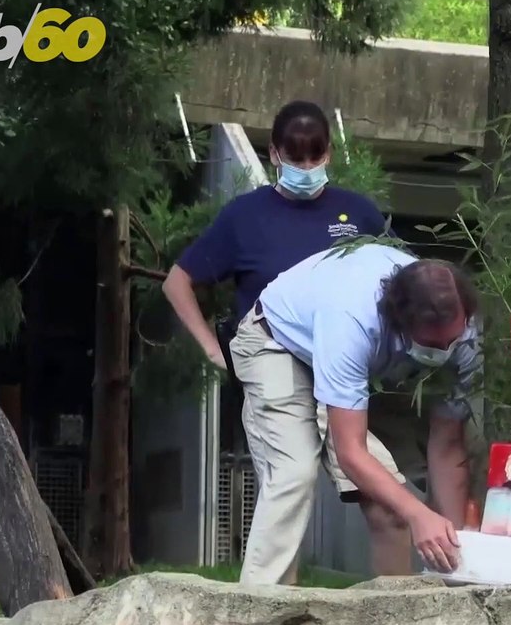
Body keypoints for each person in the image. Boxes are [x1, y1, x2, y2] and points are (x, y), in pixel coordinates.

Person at [229, 242, 480, 580]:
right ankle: (260, 612)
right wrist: (420, 515)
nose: (445, 351)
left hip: (340, 366)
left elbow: (448, 447)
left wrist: (457, 553)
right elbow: (351, 452)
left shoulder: (465, 337)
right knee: (294, 472)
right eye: (433, 345)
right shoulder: (352, 321)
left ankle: (398, 623)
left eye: (451, 341)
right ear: (401, 323)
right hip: (277, 344)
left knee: (390, 505)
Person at [163, 99, 387, 373]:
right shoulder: (244, 216)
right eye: (295, 158)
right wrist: (214, 351)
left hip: (343, 367)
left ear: (328, 154)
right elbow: (177, 282)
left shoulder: (358, 212)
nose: (306, 168)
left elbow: (404, 279)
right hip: (271, 370)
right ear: (274, 153)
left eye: (315, 158)